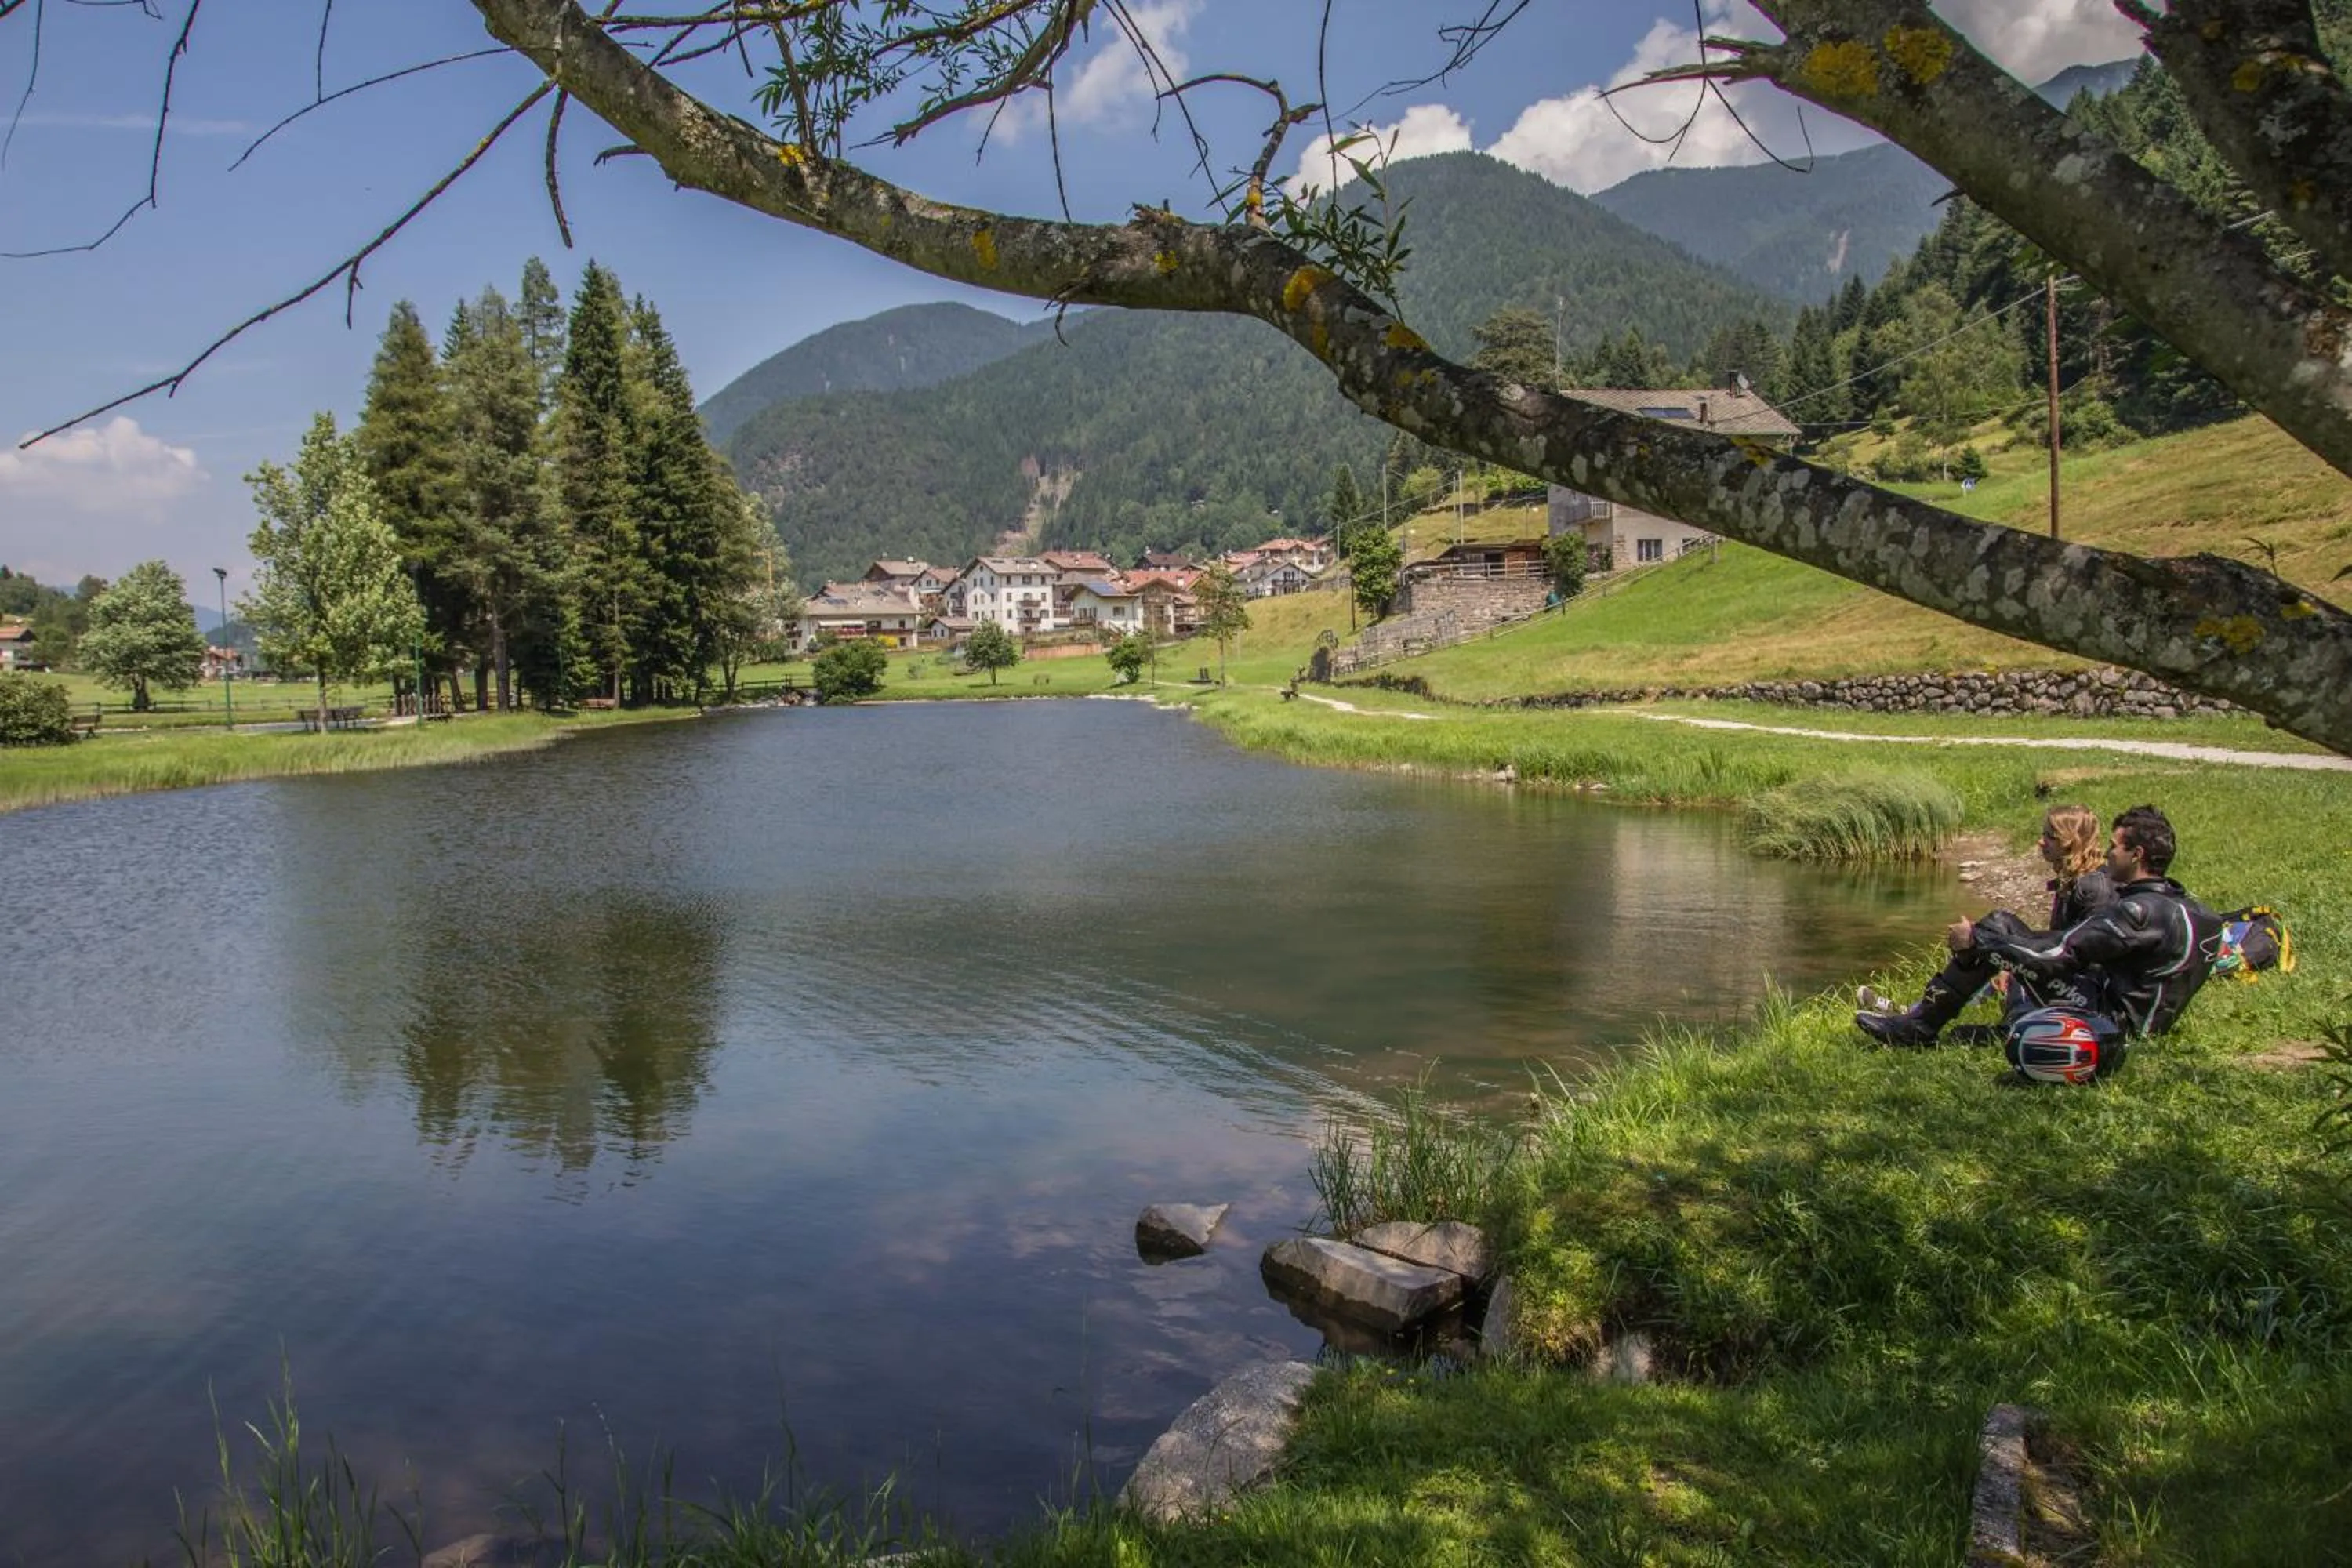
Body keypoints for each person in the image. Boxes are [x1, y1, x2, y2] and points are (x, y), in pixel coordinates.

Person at [1857, 804, 2220, 1047]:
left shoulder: (2137, 910)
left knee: (1993, 930)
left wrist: (1979, 941)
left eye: (2115, 847)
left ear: (2136, 854)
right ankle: (1924, 1019)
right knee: (2002, 925)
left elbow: (2060, 958)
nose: (2109, 855)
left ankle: (1919, 1027)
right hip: (2135, 1017)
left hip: (2111, 1022)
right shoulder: (2195, 911)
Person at [1857, 803, 2118, 1020]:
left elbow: (2085, 956)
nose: (2040, 842)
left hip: (2086, 998)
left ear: (2070, 841)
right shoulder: (2075, 881)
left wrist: (2012, 958)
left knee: (1997, 932)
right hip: (2067, 980)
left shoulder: (2092, 888)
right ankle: (1916, 1012)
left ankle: (1918, 1016)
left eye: (2050, 836)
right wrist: (2009, 959)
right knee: (1997, 941)